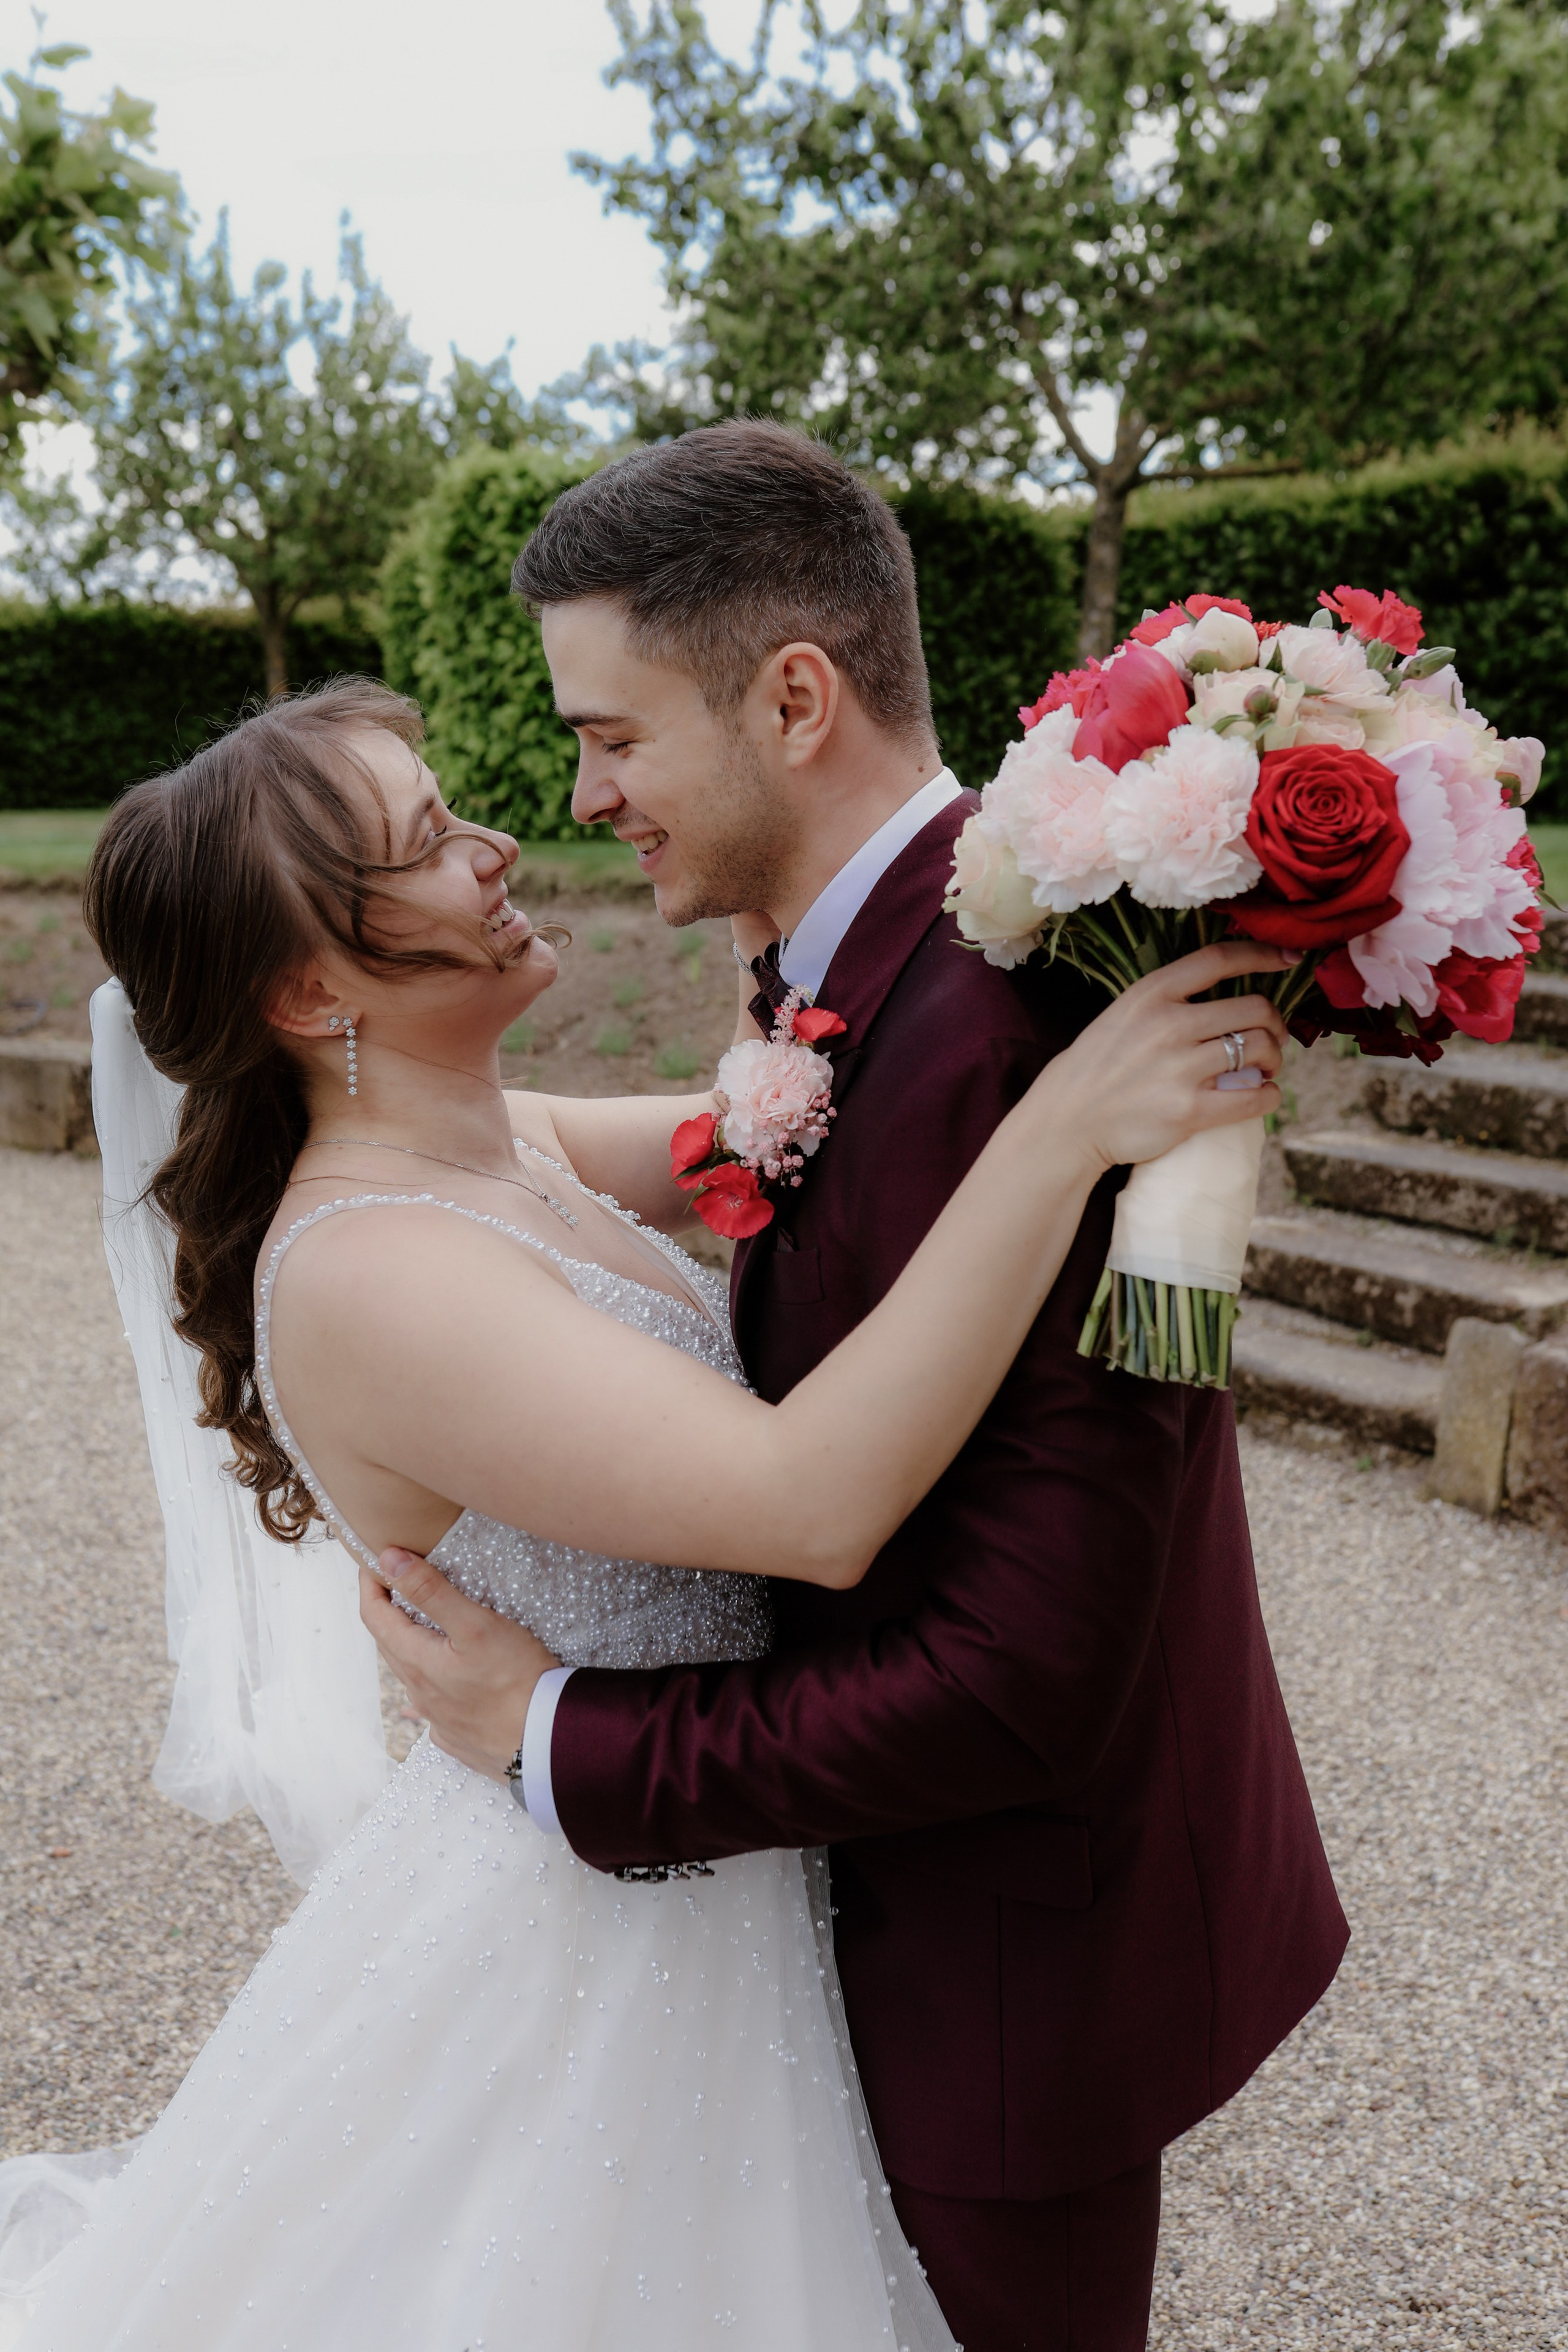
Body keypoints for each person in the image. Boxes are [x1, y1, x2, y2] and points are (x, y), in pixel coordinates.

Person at [0, 671, 1294, 2352]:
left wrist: (1073, 905)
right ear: (314, 986)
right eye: (432, 843)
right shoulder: (374, 1268)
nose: (501, 841)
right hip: (597, 1938)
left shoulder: (497, 1138)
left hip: (724, 1870)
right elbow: (809, 1499)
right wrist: (1064, 1133)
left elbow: (799, 1116)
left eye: (457, 805)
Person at [368, 422, 1351, 2352]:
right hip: (853, 1935)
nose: (582, 793)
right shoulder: (846, 967)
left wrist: (556, 1738)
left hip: (998, 1972)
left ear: (794, 698)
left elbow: (1023, 1669)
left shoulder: (1016, 1036)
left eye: (617, 736)